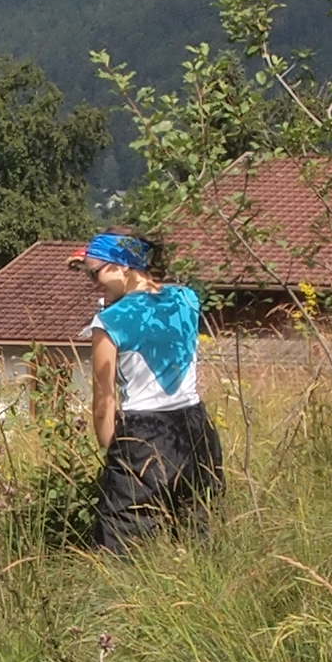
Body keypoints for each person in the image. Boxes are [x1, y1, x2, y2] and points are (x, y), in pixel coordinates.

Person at [71, 231, 221, 549]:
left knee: (123, 541)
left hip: (142, 433)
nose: (93, 283)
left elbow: (103, 399)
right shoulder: (187, 299)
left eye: (94, 273)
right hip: (195, 430)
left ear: (122, 266)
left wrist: (112, 450)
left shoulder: (109, 322)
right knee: (199, 530)